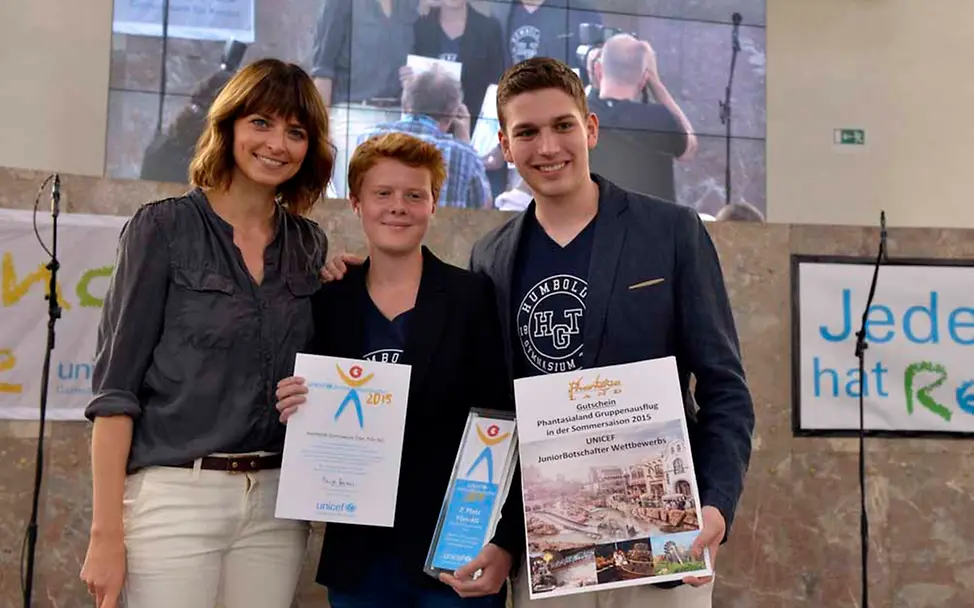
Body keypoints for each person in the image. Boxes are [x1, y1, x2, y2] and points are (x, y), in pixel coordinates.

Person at [323, 57, 755, 608]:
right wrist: (502, 540)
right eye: (527, 132)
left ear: (590, 128)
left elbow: (725, 388)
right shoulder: (493, 257)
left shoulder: (670, 231)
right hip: (546, 544)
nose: (547, 147)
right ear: (505, 146)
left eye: (562, 126)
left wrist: (717, 503)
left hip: (661, 537)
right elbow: (494, 412)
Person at [79, 58, 333, 608]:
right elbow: (114, 393)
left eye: (296, 131)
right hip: (173, 497)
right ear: (230, 126)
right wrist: (105, 534)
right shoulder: (162, 228)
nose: (277, 144)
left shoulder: (308, 246)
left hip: (275, 504)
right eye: (261, 123)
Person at [273, 131, 523, 607]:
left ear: (433, 205)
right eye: (382, 193)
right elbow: (308, 425)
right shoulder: (328, 303)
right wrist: (294, 403)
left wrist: (506, 540)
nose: (398, 207)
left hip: (454, 556)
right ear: (356, 203)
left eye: (414, 195)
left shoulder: (471, 298)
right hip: (359, 558)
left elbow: (503, 423)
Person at [359, 66, 492, 209]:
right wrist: (464, 140)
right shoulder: (463, 154)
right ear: (451, 114)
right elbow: (484, 207)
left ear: (406, 104)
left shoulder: (368, 138)